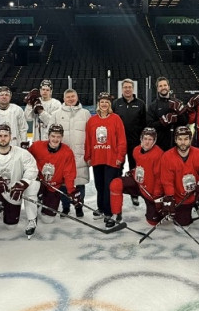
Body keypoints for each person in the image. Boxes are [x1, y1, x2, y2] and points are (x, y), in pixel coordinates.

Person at [160, 126, 199, 245]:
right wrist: (169, 198)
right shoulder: (167, 157)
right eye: (180, 139)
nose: (183, 142)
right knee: (181, 228)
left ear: (190, 139)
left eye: (186, 139)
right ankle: (186, 213)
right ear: (175, 140)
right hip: (181, 197)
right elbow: (167, 181)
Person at [0, 124, 40, 243]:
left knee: (11, 226)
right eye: (0, 135)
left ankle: (32, 219)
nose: (3, 138)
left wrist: (23, 182)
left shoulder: (22, 153)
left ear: (11, 137)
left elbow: (32, 169)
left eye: (6, 135)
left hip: (14, 191)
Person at [85, 92, 127, 226]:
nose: (104, 104)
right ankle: (102, 208)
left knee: (109, 186)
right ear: (98, 104)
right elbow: (88, 140)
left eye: (106, 102)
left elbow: (121, 140)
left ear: (110, 104)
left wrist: (120, 157)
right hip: (97, 158)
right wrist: (88, 156)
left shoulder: (116, 119)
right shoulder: (92, 120)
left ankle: (109, 212)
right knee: (99, 185)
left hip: (112, 159)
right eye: (102, 101)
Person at [109, 127, 164, 226]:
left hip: (150, 191)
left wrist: (157, 195)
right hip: (138, 183)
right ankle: (116, 214)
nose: (147, 142)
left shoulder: (158, 154)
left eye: (150, 139)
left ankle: (164, 212)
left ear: (154, 141)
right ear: (141, 139)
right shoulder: (136, 150)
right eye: (145, 139)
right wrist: (134, 172)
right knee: (116, 184)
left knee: (153, 222)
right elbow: (142, 166)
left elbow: (159, 177)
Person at [50, 88, 91, 216]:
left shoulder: (85, 113)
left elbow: (90, 135)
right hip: (62, 156)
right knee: (63, 183)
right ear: (64, 99)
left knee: (79, 182)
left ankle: (79, 207)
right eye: (68, 97)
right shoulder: (56, 114)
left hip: (80, 154)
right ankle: (65, 207)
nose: (71, 99)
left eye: (73, 96)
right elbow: (50, 135)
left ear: (77, 97)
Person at [27, 124, 79, 223]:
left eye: (58, 137)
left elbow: (69, 174)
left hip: (54, 187)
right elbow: (26, 161)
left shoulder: (67, 152)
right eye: (53, 136)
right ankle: (38, 201)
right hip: (39, 183)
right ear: (48, 136)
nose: (55, 139)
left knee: (48, 220)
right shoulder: (36, 146)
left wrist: (71, 191)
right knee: (32, 188)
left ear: (62, 137)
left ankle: (44, 203)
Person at [111, 78, 147, 207]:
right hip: (119, 143)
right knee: (117, 168)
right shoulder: (116, 103)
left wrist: (143, 141)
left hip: (135, 143)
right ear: (122, 89)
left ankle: (134, 194)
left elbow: (144, 124)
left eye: (129, 87)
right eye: (125, 87)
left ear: (133, 89)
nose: (127, 89)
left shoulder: (141, 104)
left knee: (134, 169)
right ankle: (117, 191)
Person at [146, 76, 188, 152]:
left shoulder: (177, 102)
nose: (163, 87)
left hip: (176, 143)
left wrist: (180, 113)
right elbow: (149, 125)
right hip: (160, 144)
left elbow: (185, 122)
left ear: (168, 87)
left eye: (165, 85)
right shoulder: (153, 106)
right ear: (158, 89)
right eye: (160, 86)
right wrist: (163, 122)